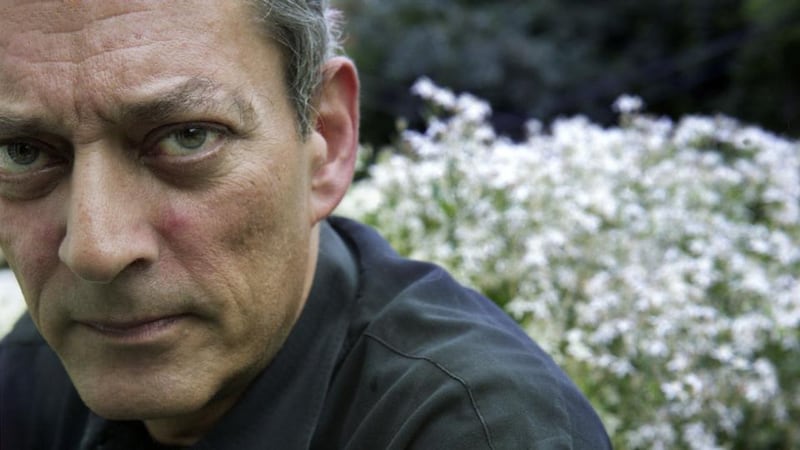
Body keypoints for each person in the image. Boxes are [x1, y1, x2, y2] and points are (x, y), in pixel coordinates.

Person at [0, 1, 611, 448]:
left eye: (187, 138)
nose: (96, 249)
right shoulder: (32, 373)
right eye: (23, 152)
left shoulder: (478, 430)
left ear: (328, 138)